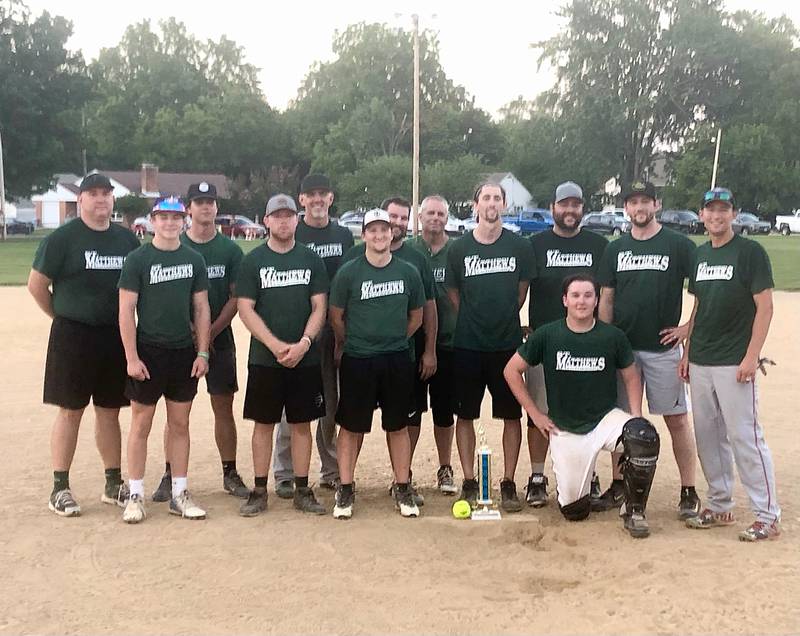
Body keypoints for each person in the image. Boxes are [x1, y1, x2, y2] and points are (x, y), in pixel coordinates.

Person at [505, 274, 660, 538]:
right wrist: (536, 415)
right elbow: (511, 371)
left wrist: (636, 415)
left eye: (588, 295)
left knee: (642, 436)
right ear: (565, 300)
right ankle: (585, 490)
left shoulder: (612, 336)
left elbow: (631, 375)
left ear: (596, 299)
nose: (582, 301)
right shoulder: (548, 334)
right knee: (574, 511)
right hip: (566, 427)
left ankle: (633, 511)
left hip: (604, 420)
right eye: (575, 295)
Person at [28, 173, 140, 517]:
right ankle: (59, 487)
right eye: (92, 194)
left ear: (112, 200)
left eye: (106, 194)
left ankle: (113, 482)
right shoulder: (63, 238)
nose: (100, 200)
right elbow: (37, 286)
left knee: (109, 411)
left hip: (113, 335)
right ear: (81, 200)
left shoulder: (127, 240)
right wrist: (62, 315)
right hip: (73, 334)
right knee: (70, 410)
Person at [679, 187, 780, 541]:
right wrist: (688, 352)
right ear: (702, 215)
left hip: (734, 360)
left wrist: (752, 356)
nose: (717, 216)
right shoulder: (700, 255)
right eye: (710, 210)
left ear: (733, 214)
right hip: (702, 358)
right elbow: (700, 306)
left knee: (745, 437)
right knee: (708, 436)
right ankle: (719, 503)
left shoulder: (750, 252)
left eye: (723, 210)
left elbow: (765, 307)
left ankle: (767, 515)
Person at [597, 180, 700, 519]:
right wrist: (607, 339)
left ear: (657, 205)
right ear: (626, 208)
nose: (639, 208)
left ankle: (688, 489)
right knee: (623, 422)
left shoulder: (678, 245)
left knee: (676, 419)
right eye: (633, 202)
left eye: (646, 201)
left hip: (662, 348)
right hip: (624, 350)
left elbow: (704, 290)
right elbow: (607, 297)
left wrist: (687, 327)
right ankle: (618, 484)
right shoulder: (616, 248)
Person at [151, 182, 248, 503]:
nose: (205, 207)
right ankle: (170, 472)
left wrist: (210, 332)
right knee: (176, 412)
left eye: (210, 202)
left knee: (224, 406)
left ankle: (230, 471)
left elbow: (236, 298)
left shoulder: (230, 251)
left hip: (220, 337)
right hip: (178, 341)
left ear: (217, 208)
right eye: (199, 202)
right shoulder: (174, 248)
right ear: (188, 209)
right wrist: (191, 331)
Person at [236, 194, 329, 517]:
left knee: (302, 424)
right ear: (266, 221)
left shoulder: (310, 259)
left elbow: (320, 305)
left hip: (305, 357)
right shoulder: (254, 261)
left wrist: (304, 342)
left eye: (289, 215)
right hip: (266, 358)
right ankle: (259, 489)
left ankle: (302, 488)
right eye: (278, 216)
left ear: (297, 219)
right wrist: (275, 344)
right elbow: (245, 308)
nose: (284, 221)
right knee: (264, 424)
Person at [118, 197, 210, 523]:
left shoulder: (194, 259)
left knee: (180, 424)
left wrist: (202, 351)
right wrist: (131, 357)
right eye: (163, 218)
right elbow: (126, 310)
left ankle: (179, 492)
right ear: (153, 220)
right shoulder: (138, 259)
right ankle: (135, 494)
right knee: (141, 423)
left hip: (182, 351)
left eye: (176, 218)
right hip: (148, 350)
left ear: (184, 221)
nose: (170, 224)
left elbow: (201, 308)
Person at [328, 209, 425, 519]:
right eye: (373, 230)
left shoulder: (408, 271)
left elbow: (416, 316)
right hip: (358, 358)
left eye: (385, 229)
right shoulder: (349, 272)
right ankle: (345, 487)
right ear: (364, 234)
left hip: (396, 357)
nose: (380, 235)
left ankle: (402, 485)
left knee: (397, 425)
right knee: (351, 426)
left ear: (392, 233)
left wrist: (394, 338)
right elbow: (336, 317)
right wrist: (355, 340)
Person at [445, 182, 535, 511]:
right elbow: (455, 295)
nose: (492, 203)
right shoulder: (459, 249)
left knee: (511, 416)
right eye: (486, 198)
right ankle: (469, 480)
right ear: (475, 204)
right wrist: (474, 317)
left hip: (507, 346)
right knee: (465, 415)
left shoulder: (519, 246)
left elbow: (521, 291)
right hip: (469, 344)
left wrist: (503, 318)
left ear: (504, 204)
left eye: (497, 198)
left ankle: (508, 481)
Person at [524, 181, 608, 508]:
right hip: (545, 341)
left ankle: (591, 473)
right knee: (540, 413)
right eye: (564, 205)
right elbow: (520, 287)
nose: (570, 211)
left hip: (589, 343)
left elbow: (607, 293)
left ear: (582, 209)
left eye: (576, 205)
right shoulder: (535, 244)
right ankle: (536, 477)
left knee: (587, 411)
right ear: (552, 208)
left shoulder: (599, 245)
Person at [272, 174, 353, 499]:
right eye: (311, 195)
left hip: (334, 328)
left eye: (323, 194)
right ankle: (285, 472)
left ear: (331, 199)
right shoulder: (295, 230)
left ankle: (330, 470)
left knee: (331, 404)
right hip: (298, 329)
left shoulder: (344, 235)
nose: (318, 199)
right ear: (301, 200)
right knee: (290, 404)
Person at [408, 195, 458, 494]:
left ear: (447, 218)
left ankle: (445, 467)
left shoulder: (456, 251)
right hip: (414, 342)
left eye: (441, 213)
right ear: (420, 217)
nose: (435, 218)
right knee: (412, 410)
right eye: (430, 213)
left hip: (449, 342)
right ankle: (406, 471)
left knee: (444, 411)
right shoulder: (410, 250)